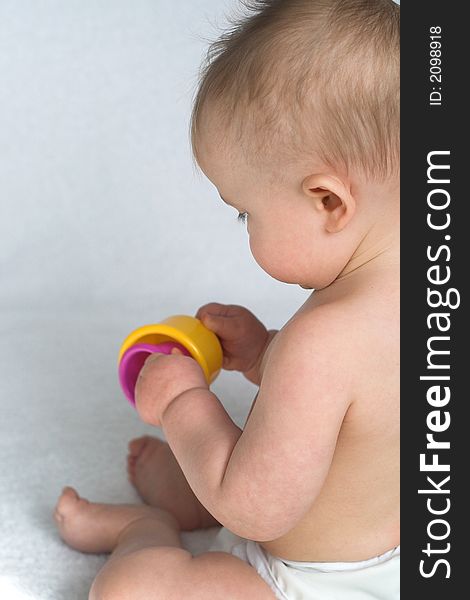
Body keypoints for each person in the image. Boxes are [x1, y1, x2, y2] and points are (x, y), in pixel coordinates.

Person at [54, 1, 400, 597]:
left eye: (245, 211)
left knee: (135, 590)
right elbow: (355, 412)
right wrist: (266, 353)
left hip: (308, 579)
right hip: (394, 549)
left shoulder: (323, 343)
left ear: (327, 202)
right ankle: (193, 492)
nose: (245, 227)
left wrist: (182, 401)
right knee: (270, 449)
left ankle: (146, 529)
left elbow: (255, 511)